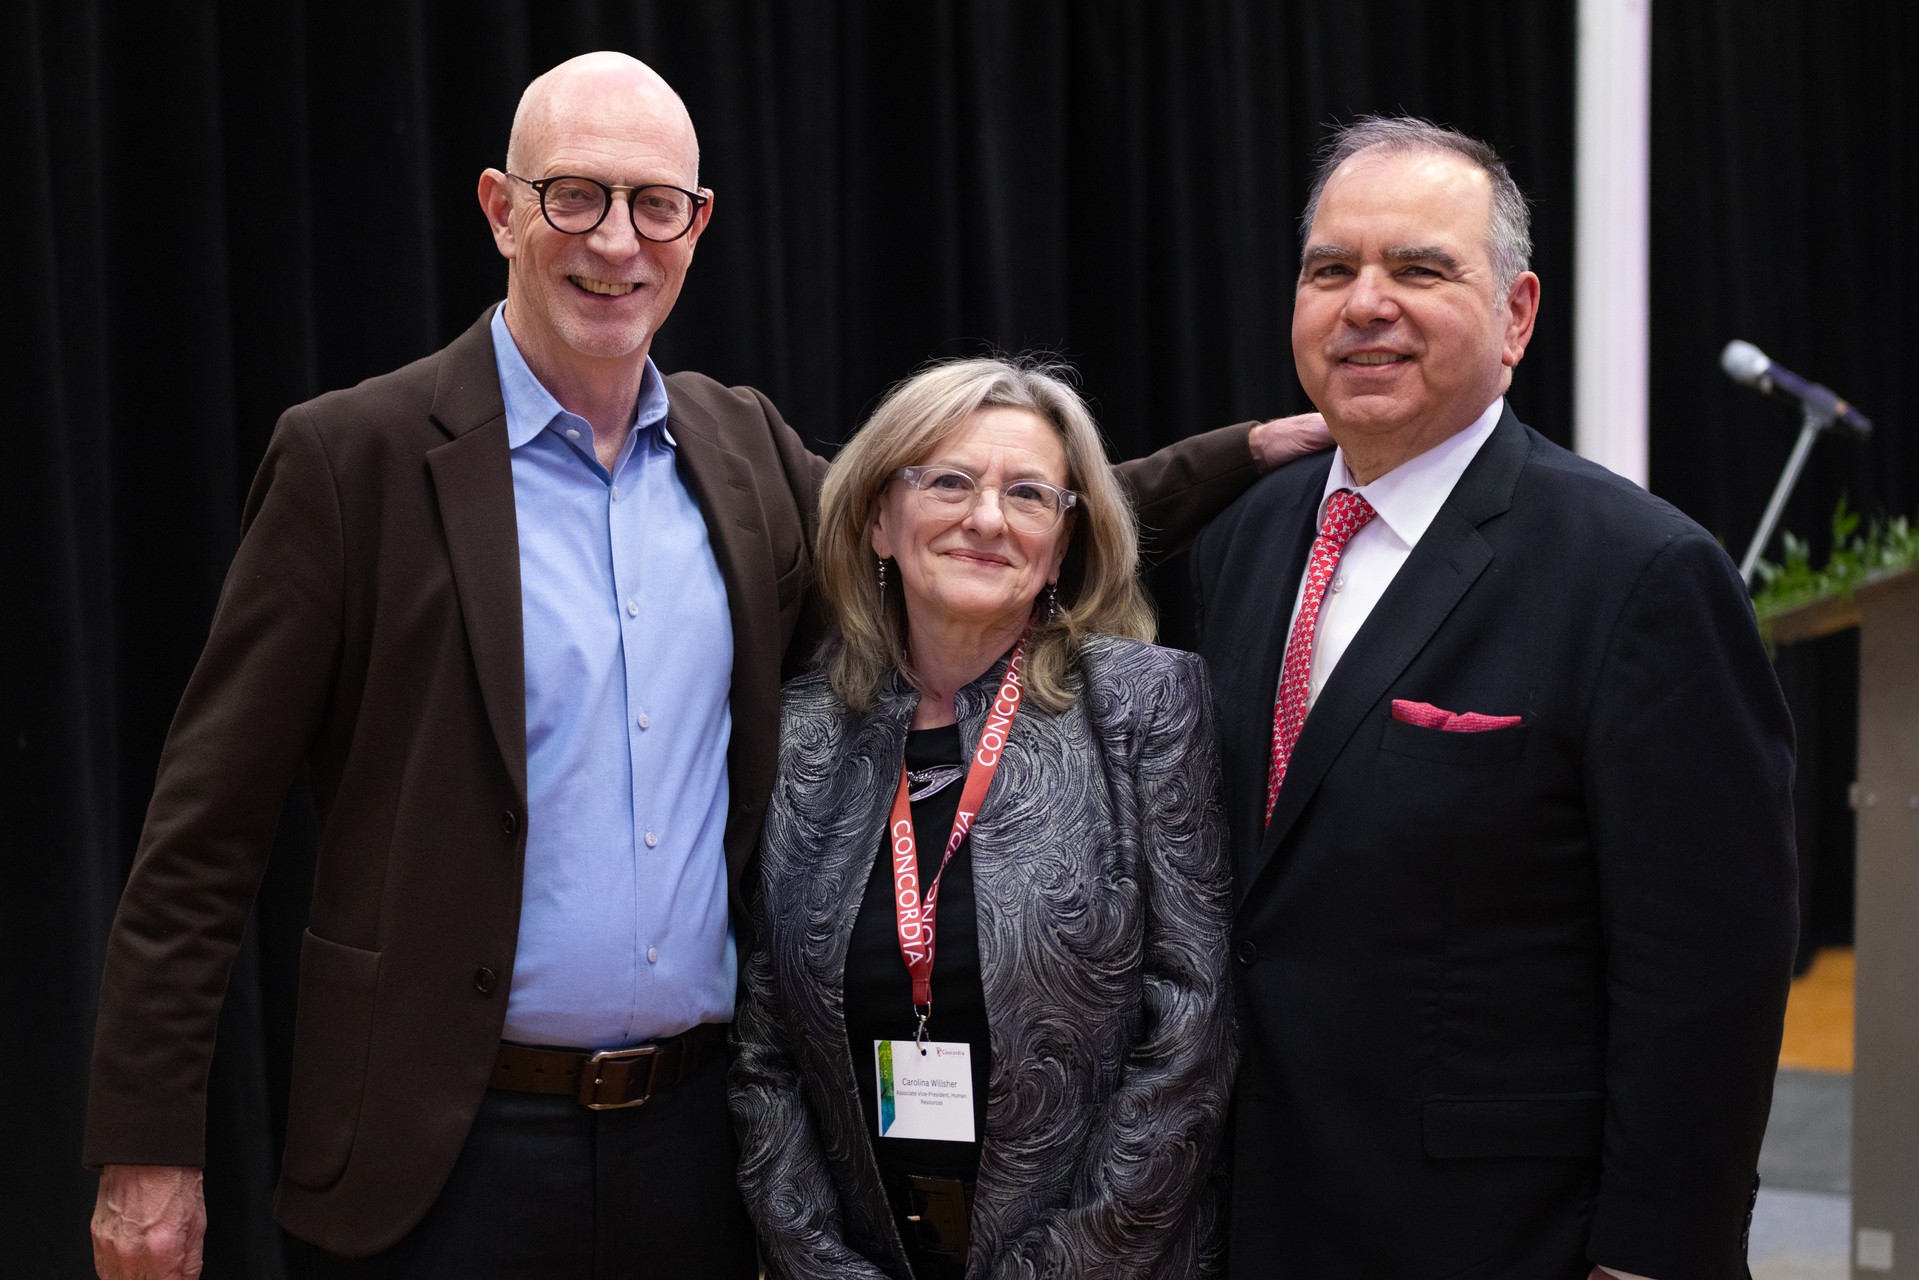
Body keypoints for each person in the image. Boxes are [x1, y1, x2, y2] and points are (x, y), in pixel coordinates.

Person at [83, 52, 1322, 1280]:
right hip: (435, 1155)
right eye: (574, 195)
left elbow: (956, 536)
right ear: (499, 207)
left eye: (653, 205)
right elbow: (202, 834)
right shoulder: (353, 461)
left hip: (692, 1155)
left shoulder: (739, 453)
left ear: (696, 225)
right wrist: (148, 1149)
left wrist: (1238, 453)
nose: (615, 242)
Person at [1191, 117, 1797, 1280]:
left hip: (1499, 1233)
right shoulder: (1248, 538)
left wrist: (1650, 1254)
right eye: (1331, 270)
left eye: (1419, 268)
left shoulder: (1640, 574)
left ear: (1515, 315)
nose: (1365, 303)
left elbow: (1706, 974)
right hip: (1249, 1210)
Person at [730, 357, 1236, 1279]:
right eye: (950, 481)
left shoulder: (1144, 706)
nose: (988, 519)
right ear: (879, 520)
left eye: (1030, 495)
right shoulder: (802, 732)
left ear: (1064, 539)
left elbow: (1191, 1033)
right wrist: (820, 1265)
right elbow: (761, 1043)